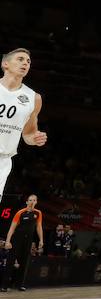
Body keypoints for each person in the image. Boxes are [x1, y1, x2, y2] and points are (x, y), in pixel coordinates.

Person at [0, 49, 48, 199]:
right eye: (20, 59)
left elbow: (28, 133)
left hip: (3, 160)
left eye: (28, 61)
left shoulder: (34, 98)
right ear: (5, 64)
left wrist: (35, 138)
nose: (25, 63)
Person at [1, 194, 43, 292]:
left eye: (34, 200)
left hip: (28, 240)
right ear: (27, 202)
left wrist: (41, 240)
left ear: (36, 202)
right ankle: (4, 285)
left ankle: (20, 285)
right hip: (16, 239)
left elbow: (39, 227)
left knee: (24, 262)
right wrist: (8, 241)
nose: (32, 202)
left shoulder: (38, 213)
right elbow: (12, 228)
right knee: (10, 262)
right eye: (30, 200)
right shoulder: (20, 212)